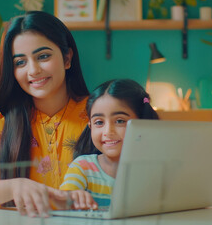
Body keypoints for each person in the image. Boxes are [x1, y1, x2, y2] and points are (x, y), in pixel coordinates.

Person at [0, 11, 90, 218]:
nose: (33, 70)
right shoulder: (1, 121)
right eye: (20, 62)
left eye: (43, 56)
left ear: (67, 58)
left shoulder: (98, 116)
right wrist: (16, 186)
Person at [59, 79, 159, 209]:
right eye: (99, 122)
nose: (108, 132)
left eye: (119, 121)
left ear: (142, 123)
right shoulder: (82, 167)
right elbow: (61, 202)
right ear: (90, 126)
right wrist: (71, 198)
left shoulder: (154, 170)